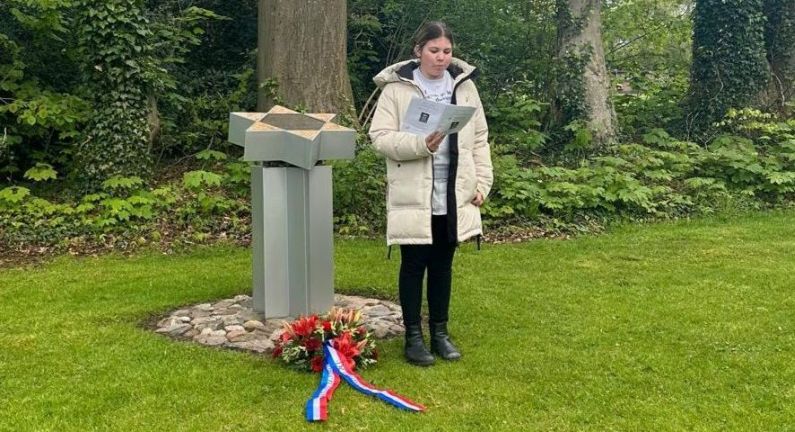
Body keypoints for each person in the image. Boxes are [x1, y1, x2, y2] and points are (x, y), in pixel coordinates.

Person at [368, 21, 493, 366]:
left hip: (454, 193)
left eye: (447, 51)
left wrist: (482, 184)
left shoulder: (464, 88)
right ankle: (413, 337)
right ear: (418, 51)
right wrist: (420, 144)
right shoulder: (396, 90)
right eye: (433, 50)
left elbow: (479, 138)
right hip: (415, 192)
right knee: (414, 264)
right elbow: (379, 137)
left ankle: (439, 333)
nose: (441, 58)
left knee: (443, 264)